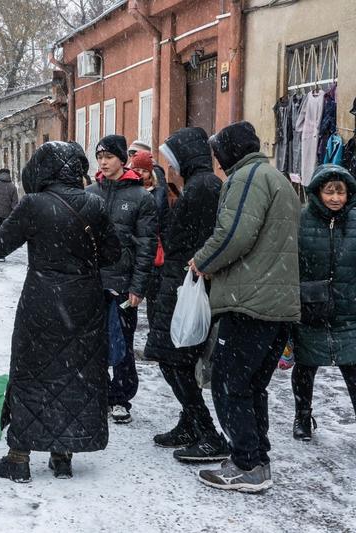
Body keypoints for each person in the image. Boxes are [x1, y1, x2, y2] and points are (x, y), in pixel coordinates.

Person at [0, 141, 121, 482]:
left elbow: (2, 242)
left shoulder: (34, 204)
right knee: (74, 374)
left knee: (30, 372)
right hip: (84, 303)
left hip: (42, 300)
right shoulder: (94, 204)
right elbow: (113, 254)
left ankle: (19, 458)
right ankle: (63, 455)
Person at [190, 121, 300, 492]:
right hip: (274, 302)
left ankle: (246, 463)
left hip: (249, 303)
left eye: (219, 152)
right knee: (252, 386)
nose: (217, 161)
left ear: (231, 151)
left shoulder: (248, 178)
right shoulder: (276, 178)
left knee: (228, 383)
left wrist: (202, 261)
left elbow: (234, 234)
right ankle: (256, 459)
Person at [143, 128, 227, 462]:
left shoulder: (203, 187)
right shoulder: (199, 185)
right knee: (177, 360)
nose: (171, 167)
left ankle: (206, 431)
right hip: (180, 282)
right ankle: (190, 422)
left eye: (173, 160)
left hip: (186, 285)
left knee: (175, 360)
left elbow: (196, 240)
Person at [87, 134, 157, 424]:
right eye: (99, 157)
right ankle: (99, 392)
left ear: (122, 159)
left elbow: (146, 246)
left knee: (122, 344)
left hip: (123, 284)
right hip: (92, 282)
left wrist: (138, 287)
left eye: (109, 157)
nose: (103, 162)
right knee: (92, 342)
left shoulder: (141, 197)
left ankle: (120, 397)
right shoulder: (90, 192)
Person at [292, 164, 356, 441]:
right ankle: (302, 417)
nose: (335, 198)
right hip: (311, 308)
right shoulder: (302, 219)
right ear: (318, 192)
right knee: (305, 367)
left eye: (340, 192)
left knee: (353, 369)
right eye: (329, 192)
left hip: (349, 308)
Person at [129, 150, 165, 329]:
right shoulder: (128, 191)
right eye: (137, 170)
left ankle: (153, 330)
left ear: (151, 173)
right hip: (131, 248)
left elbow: (162, 221)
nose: (141, 174)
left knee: (152, 297)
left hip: (150, 248)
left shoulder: (158, 192)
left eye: (144, 171)